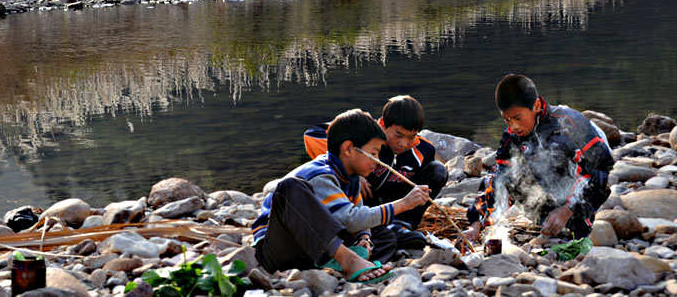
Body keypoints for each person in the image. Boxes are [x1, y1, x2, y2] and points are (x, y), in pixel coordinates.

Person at [252, 109, 431, 282]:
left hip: (316, 248)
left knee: (386, 237)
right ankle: (349, 261)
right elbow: (351, 219)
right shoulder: (322, 175)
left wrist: (364, 238)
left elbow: (358, 215)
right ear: (348, 149)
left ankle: (342, 262)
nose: (377, 162)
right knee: (290, 186)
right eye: (374, 154)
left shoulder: (351, 177)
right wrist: (403, 204)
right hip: (282, 247)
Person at [464, 74, 615, 241]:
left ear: (536, 105)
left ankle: (578, 220)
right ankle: (551, 220)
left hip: (580, 190)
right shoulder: (511, 136)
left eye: (517, 118)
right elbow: (498, 179)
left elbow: (603, 170)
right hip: (548, 193)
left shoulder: (569, 122)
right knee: (505, 174)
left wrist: (568, 210)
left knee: (578, 226)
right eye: (507, 120)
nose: (513, 126)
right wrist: (476, 224)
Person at [303, 96, 447, 255]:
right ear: (383, 124)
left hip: (393, 200)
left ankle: (401, 225)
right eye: (398, 135)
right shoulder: (366, 132)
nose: (403, 144)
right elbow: (313, 135)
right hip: (360, 200)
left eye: (411, 137)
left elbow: (427, 177)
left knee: (438, 170)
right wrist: (352, 170)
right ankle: (371, 231)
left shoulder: (424, 149)